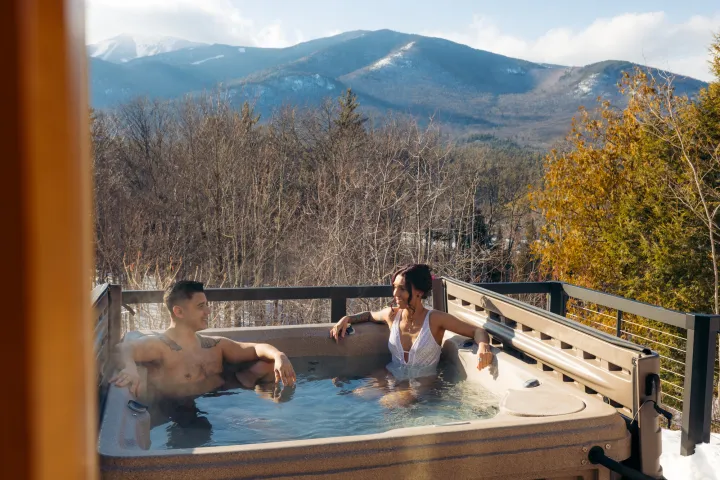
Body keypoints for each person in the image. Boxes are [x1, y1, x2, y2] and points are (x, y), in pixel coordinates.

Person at [329, 264, 493, 406]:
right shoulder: (392, 315)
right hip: (390, 375)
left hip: (421, 382)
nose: (395, 293)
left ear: (419, 293)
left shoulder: (435, 319)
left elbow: (477, 331)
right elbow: (370, 315)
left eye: (402, 288)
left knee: (388, 404)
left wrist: (483, 347)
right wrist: (347, 318)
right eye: (394, 287)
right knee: (354, 397)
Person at [110, 280, 296, 403]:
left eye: (207, 305)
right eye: (201, 306)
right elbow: (123, 348)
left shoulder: (214, 345)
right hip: (184, 410)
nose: (208, 311)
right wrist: (130, 368)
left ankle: (270, 406)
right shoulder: (161, 345)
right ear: (179, 312)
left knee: (268, 364)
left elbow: (256, 348)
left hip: (223, 398)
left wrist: (280, 356)